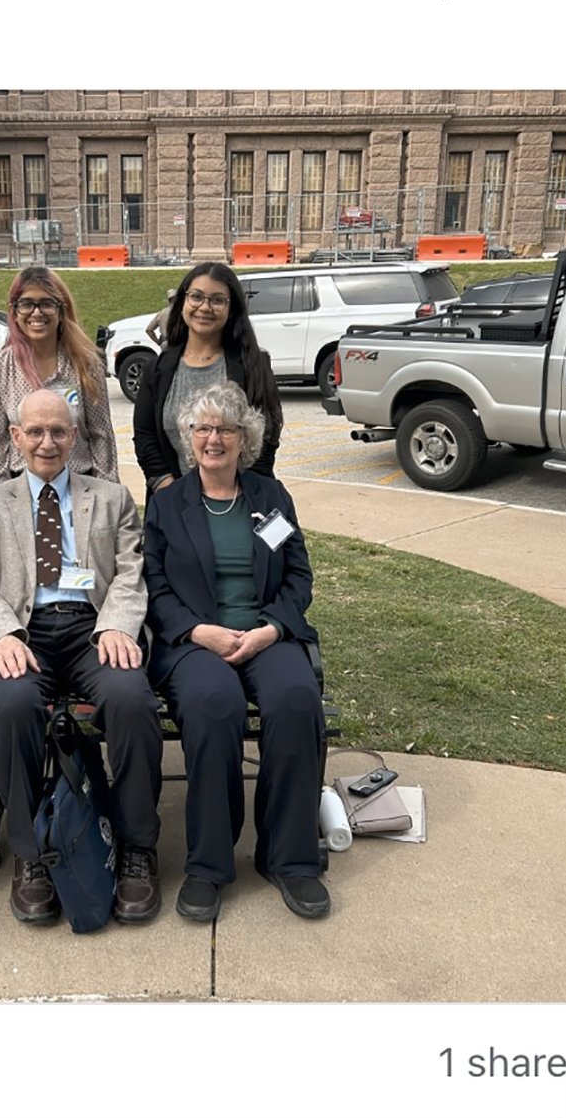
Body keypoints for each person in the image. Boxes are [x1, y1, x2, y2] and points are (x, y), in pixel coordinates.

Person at [0, 388, 163, 926]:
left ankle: (138, 846)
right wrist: (1, 636)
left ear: (74, 437)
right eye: (36, 432)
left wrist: (117, 625)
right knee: (10, 707)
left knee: (131, 698)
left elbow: (130, 572)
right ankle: (32, 855)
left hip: (91, 628)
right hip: (23, 634)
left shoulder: (112, 497)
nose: (47, 442)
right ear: (16, 438)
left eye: (58, 432)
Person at [143, 381, 326, 922]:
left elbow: (298, 575)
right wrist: (198, 632)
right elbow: (152, 584)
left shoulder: (269, 498)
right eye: (202, 428)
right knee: (213, 706)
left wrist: (271, 630)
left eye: (225, 428)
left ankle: (289, 858)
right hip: (196, 642)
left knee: (295, 701)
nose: (213, 438)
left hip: (264, 635)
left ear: (245, 437)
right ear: (189, 437)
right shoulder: (169, 503)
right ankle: (209, 864)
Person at [133, 261, 284, 498]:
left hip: (239, 502)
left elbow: (267, 436)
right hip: (175, 502)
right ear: (183, 301)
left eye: (217, 300)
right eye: (196, 297)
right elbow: (145, 437)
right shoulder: (158, 369)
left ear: (231, 308)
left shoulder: (253, 365)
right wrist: (173, 493)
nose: (205, 307)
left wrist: (234, 495)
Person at [0, 265, 117, 484]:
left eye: (46, 303)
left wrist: (107, 494)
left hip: (79, 484)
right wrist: (4, 498)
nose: (37, 312)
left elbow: (101, 435)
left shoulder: (86, 363)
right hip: (23, 486)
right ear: (14, 312)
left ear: (61, 311)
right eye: (26, 304)